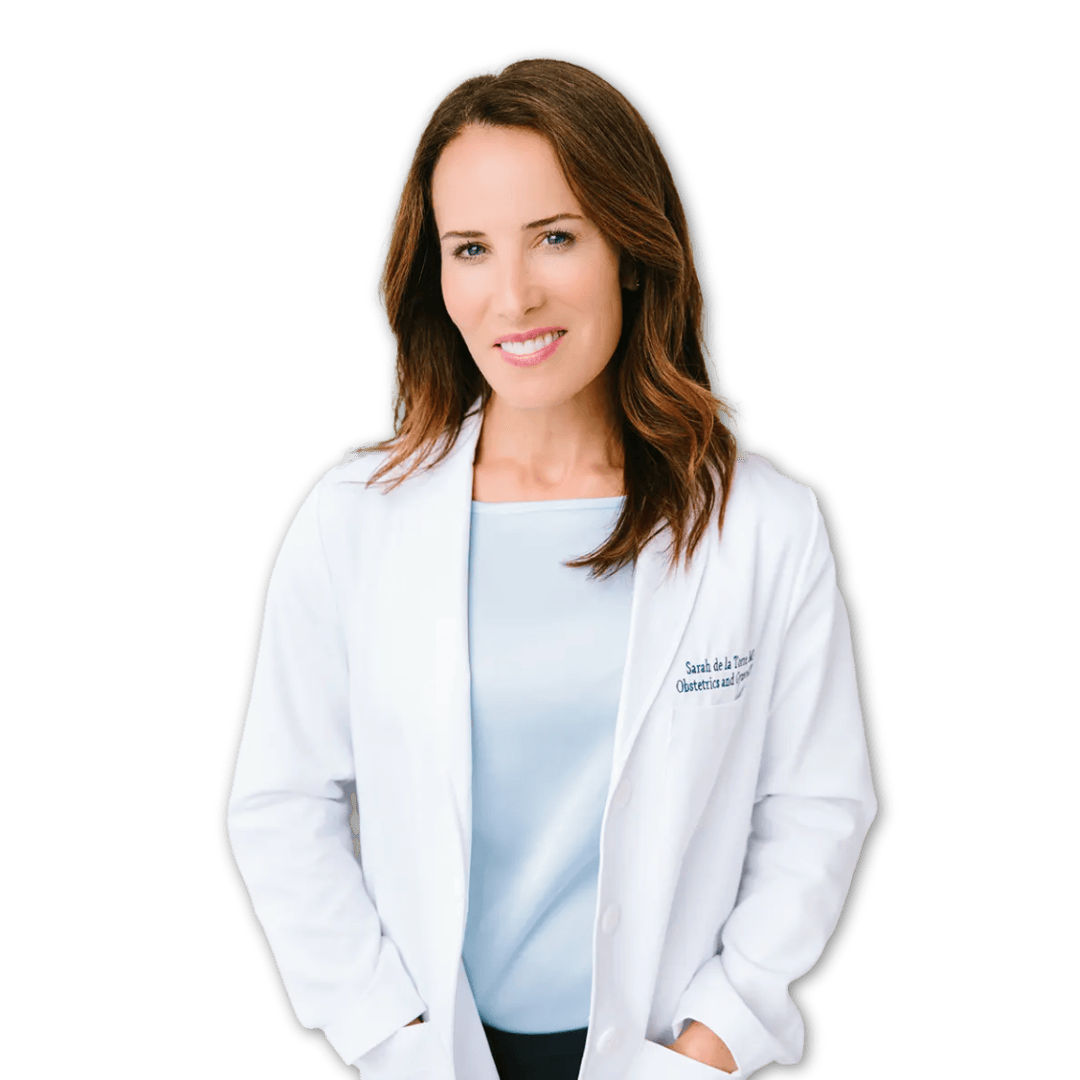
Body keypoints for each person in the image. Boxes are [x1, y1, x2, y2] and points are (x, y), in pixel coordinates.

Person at [223, 50, 883, 1080]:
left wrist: (712, 1044)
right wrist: (384, 1034)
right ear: (436, 277)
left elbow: (816, 808)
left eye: (556, 237)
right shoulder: (352, 521)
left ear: (632, 249)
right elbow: (281, 805)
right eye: (471, 249)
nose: (513, 295)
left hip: (664, 1054)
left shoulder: (764, 525)